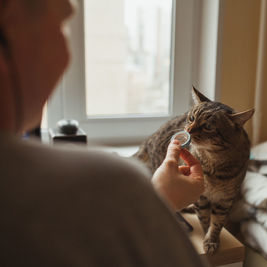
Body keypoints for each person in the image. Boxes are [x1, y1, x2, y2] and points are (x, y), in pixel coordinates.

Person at [0, 0, 207, 266]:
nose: (66, 55)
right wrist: (153, 206)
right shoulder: (114, 190)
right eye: (62, 26)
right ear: (11, 22)